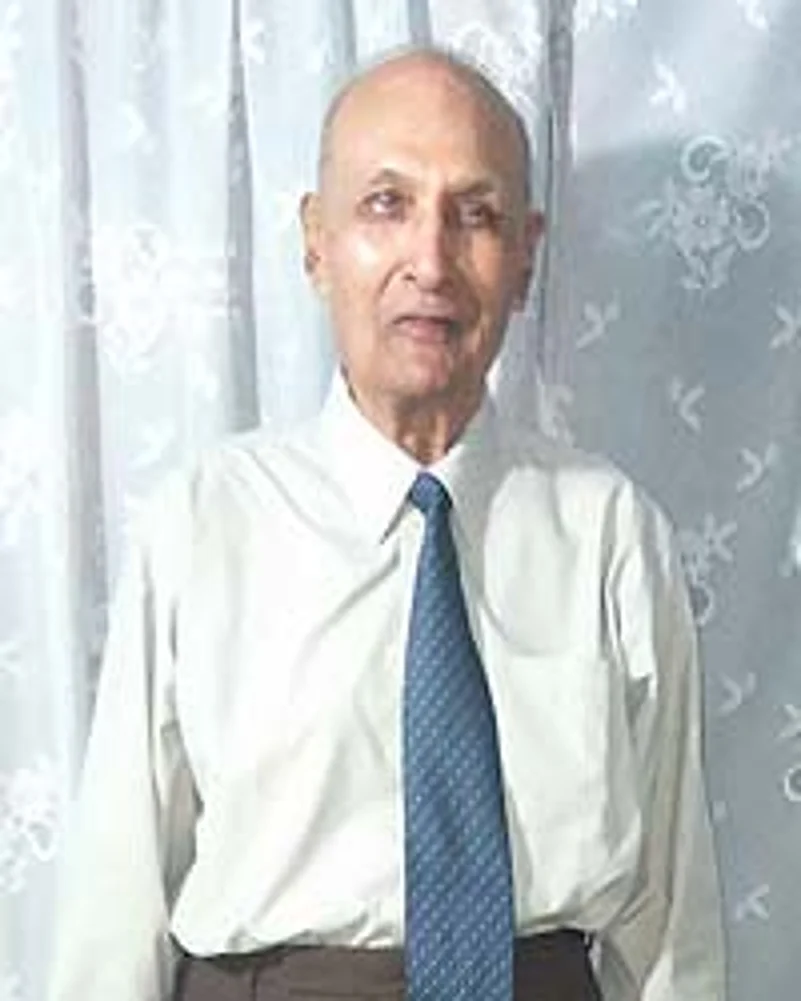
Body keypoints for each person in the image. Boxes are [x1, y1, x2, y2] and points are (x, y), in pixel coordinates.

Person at [48, 46, 726, 1001]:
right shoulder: (203, 527)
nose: (430, 261)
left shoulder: (610, 533)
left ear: (525, 254)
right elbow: (113, 914)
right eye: (385, 204)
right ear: (315, 241)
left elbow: (671, 928)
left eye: (474, 214)